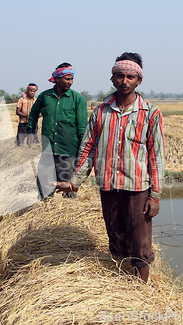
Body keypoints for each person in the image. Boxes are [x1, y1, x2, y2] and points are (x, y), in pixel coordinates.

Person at [53, 53, 165, 283]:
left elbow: (156, 157)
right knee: (115, 237)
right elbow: (88, 149)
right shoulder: (101, 112)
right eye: (120, 76)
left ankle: (142, 288)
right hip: (108, 185)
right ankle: (120, 281)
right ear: (112, 79)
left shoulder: (150, 113)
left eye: (130, 77)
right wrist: (74, 182)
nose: (125, 81)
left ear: (139, 81)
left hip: (137, 187)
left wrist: (155, 196)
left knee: (140, 241)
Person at [26, 62, 88, 199]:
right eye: (67, 78)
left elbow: (82, 127)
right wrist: (31, 131)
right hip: (48, 149)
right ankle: (45, 209)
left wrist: (82, 150)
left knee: (68, 188)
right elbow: (34, 113)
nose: (70, 82)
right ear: (58, 78)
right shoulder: (45, 96)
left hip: (69, 151)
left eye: (72, 79)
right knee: (44, 185)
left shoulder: (78, 99)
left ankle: (69, 214)